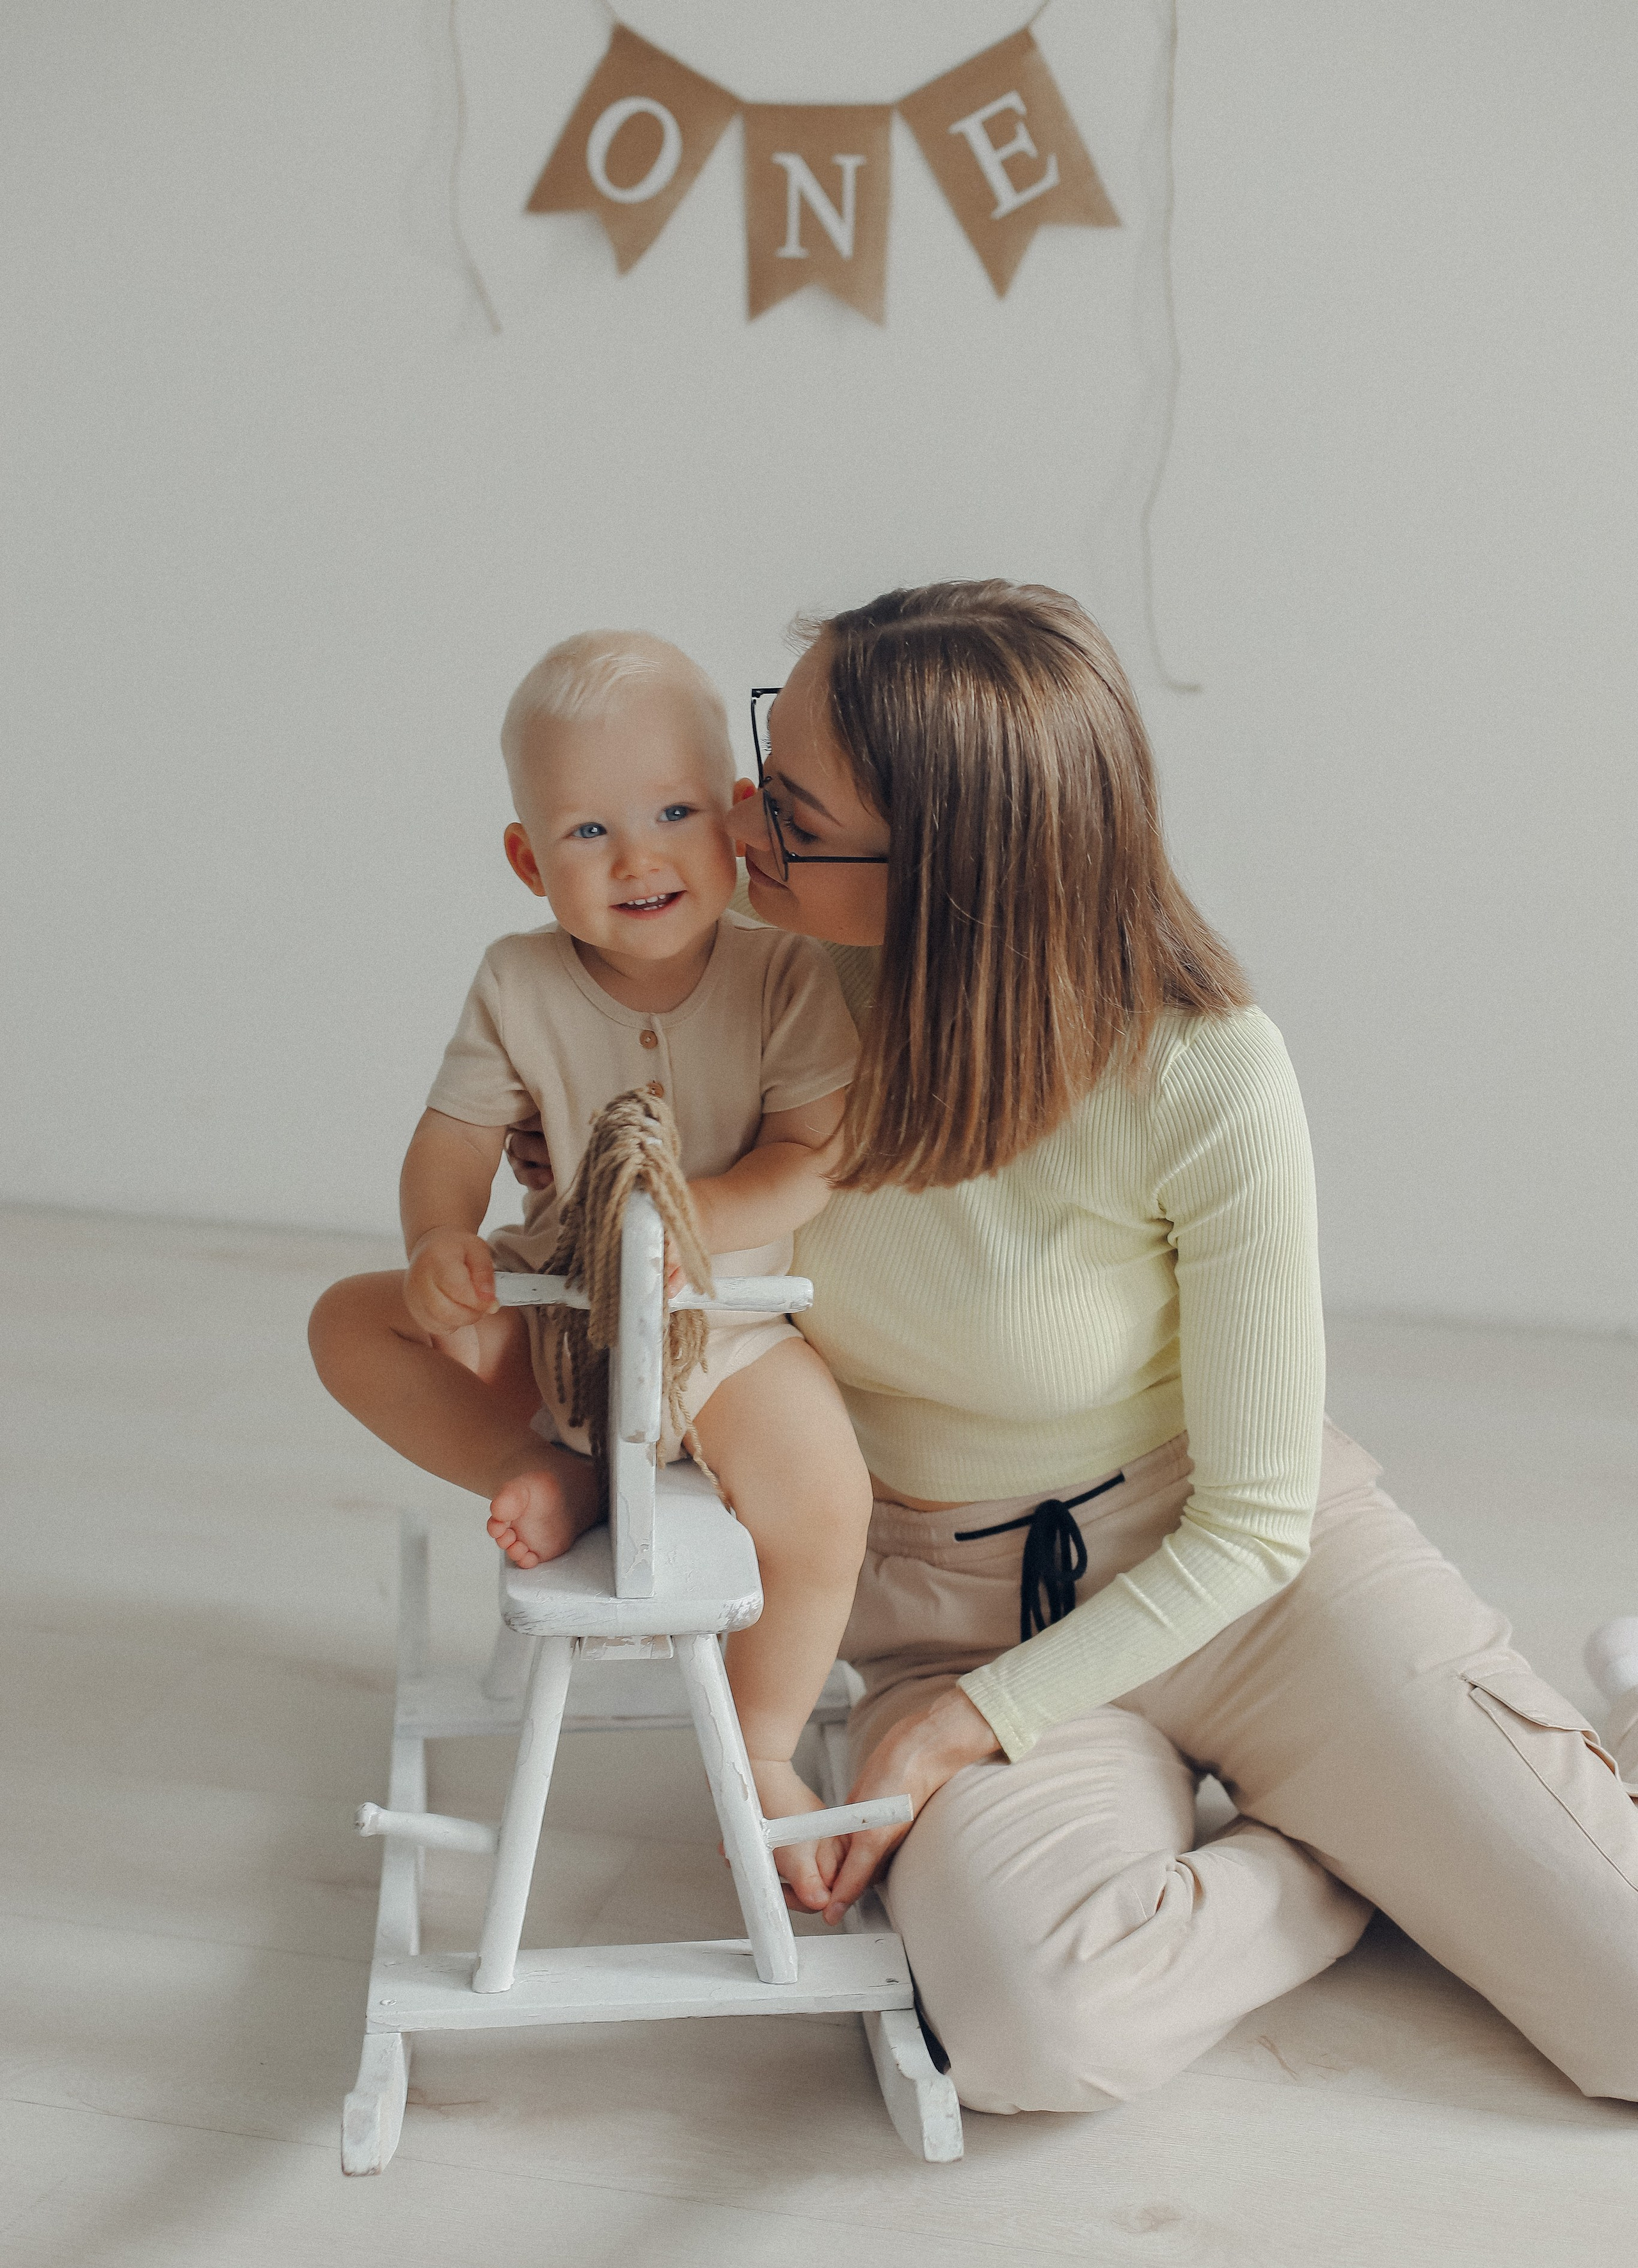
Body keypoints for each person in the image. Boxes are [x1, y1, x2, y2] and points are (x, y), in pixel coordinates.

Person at [509, 580, 1638, 2118]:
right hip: (945, 1608)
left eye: (799, 803)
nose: (740, 808)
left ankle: (1537, 1763)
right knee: (1037, 2032)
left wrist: (966, 1743)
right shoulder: (735, 1002)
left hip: (1249, 1580)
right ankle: (1335, 1862)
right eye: (773, 750)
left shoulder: (1204, 1070)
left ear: (943, 869)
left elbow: (1248, 1525)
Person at [307, 630, 873, 1907]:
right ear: (526, 859)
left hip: (717, 1320)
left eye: (674, 811)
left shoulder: (782, 973)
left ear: (735, 821)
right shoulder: (516, 981)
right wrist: (438, 1245)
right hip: (560, 1308)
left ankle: (766, 1744)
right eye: (586, 833)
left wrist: (692, 1224)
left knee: (826, 1499)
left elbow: (809, 1157)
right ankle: (539, 1466)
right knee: (350, 1325)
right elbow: (449, 1143)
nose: (638, 858)